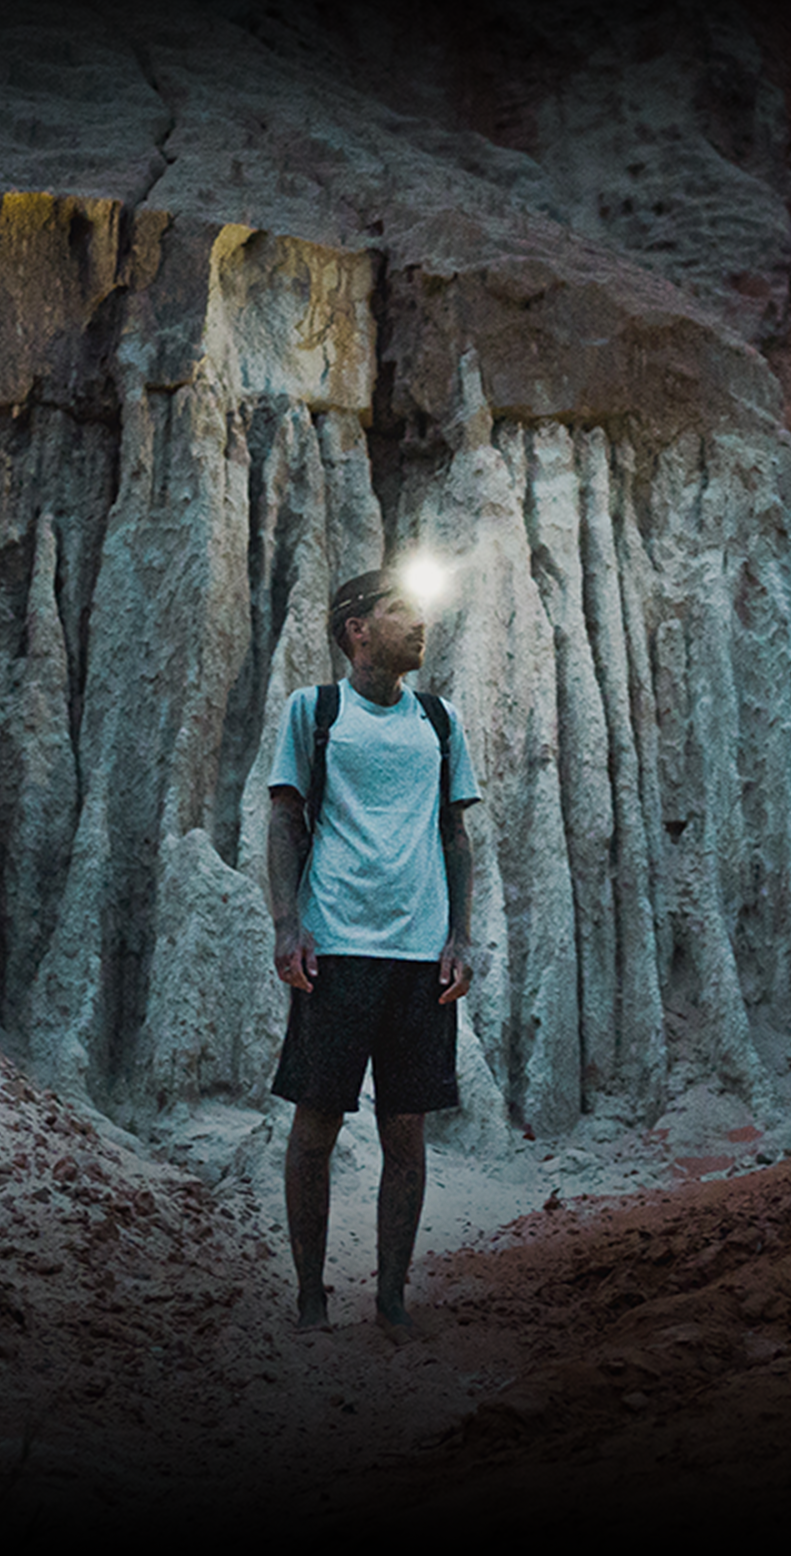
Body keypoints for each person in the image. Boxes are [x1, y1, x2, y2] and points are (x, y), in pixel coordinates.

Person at [265, 567, 481, 1335]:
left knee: (407, 1133)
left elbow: (455, 833)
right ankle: (310, 1294)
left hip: (420, 956)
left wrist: (460, 937)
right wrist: (288, 925)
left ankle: (391, 1299)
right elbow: (285, 820)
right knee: (316, 1127)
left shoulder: (439, 719)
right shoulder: (315, 711)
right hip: (338, 949)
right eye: (402, 613)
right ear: (357, 628)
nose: (420, 626)